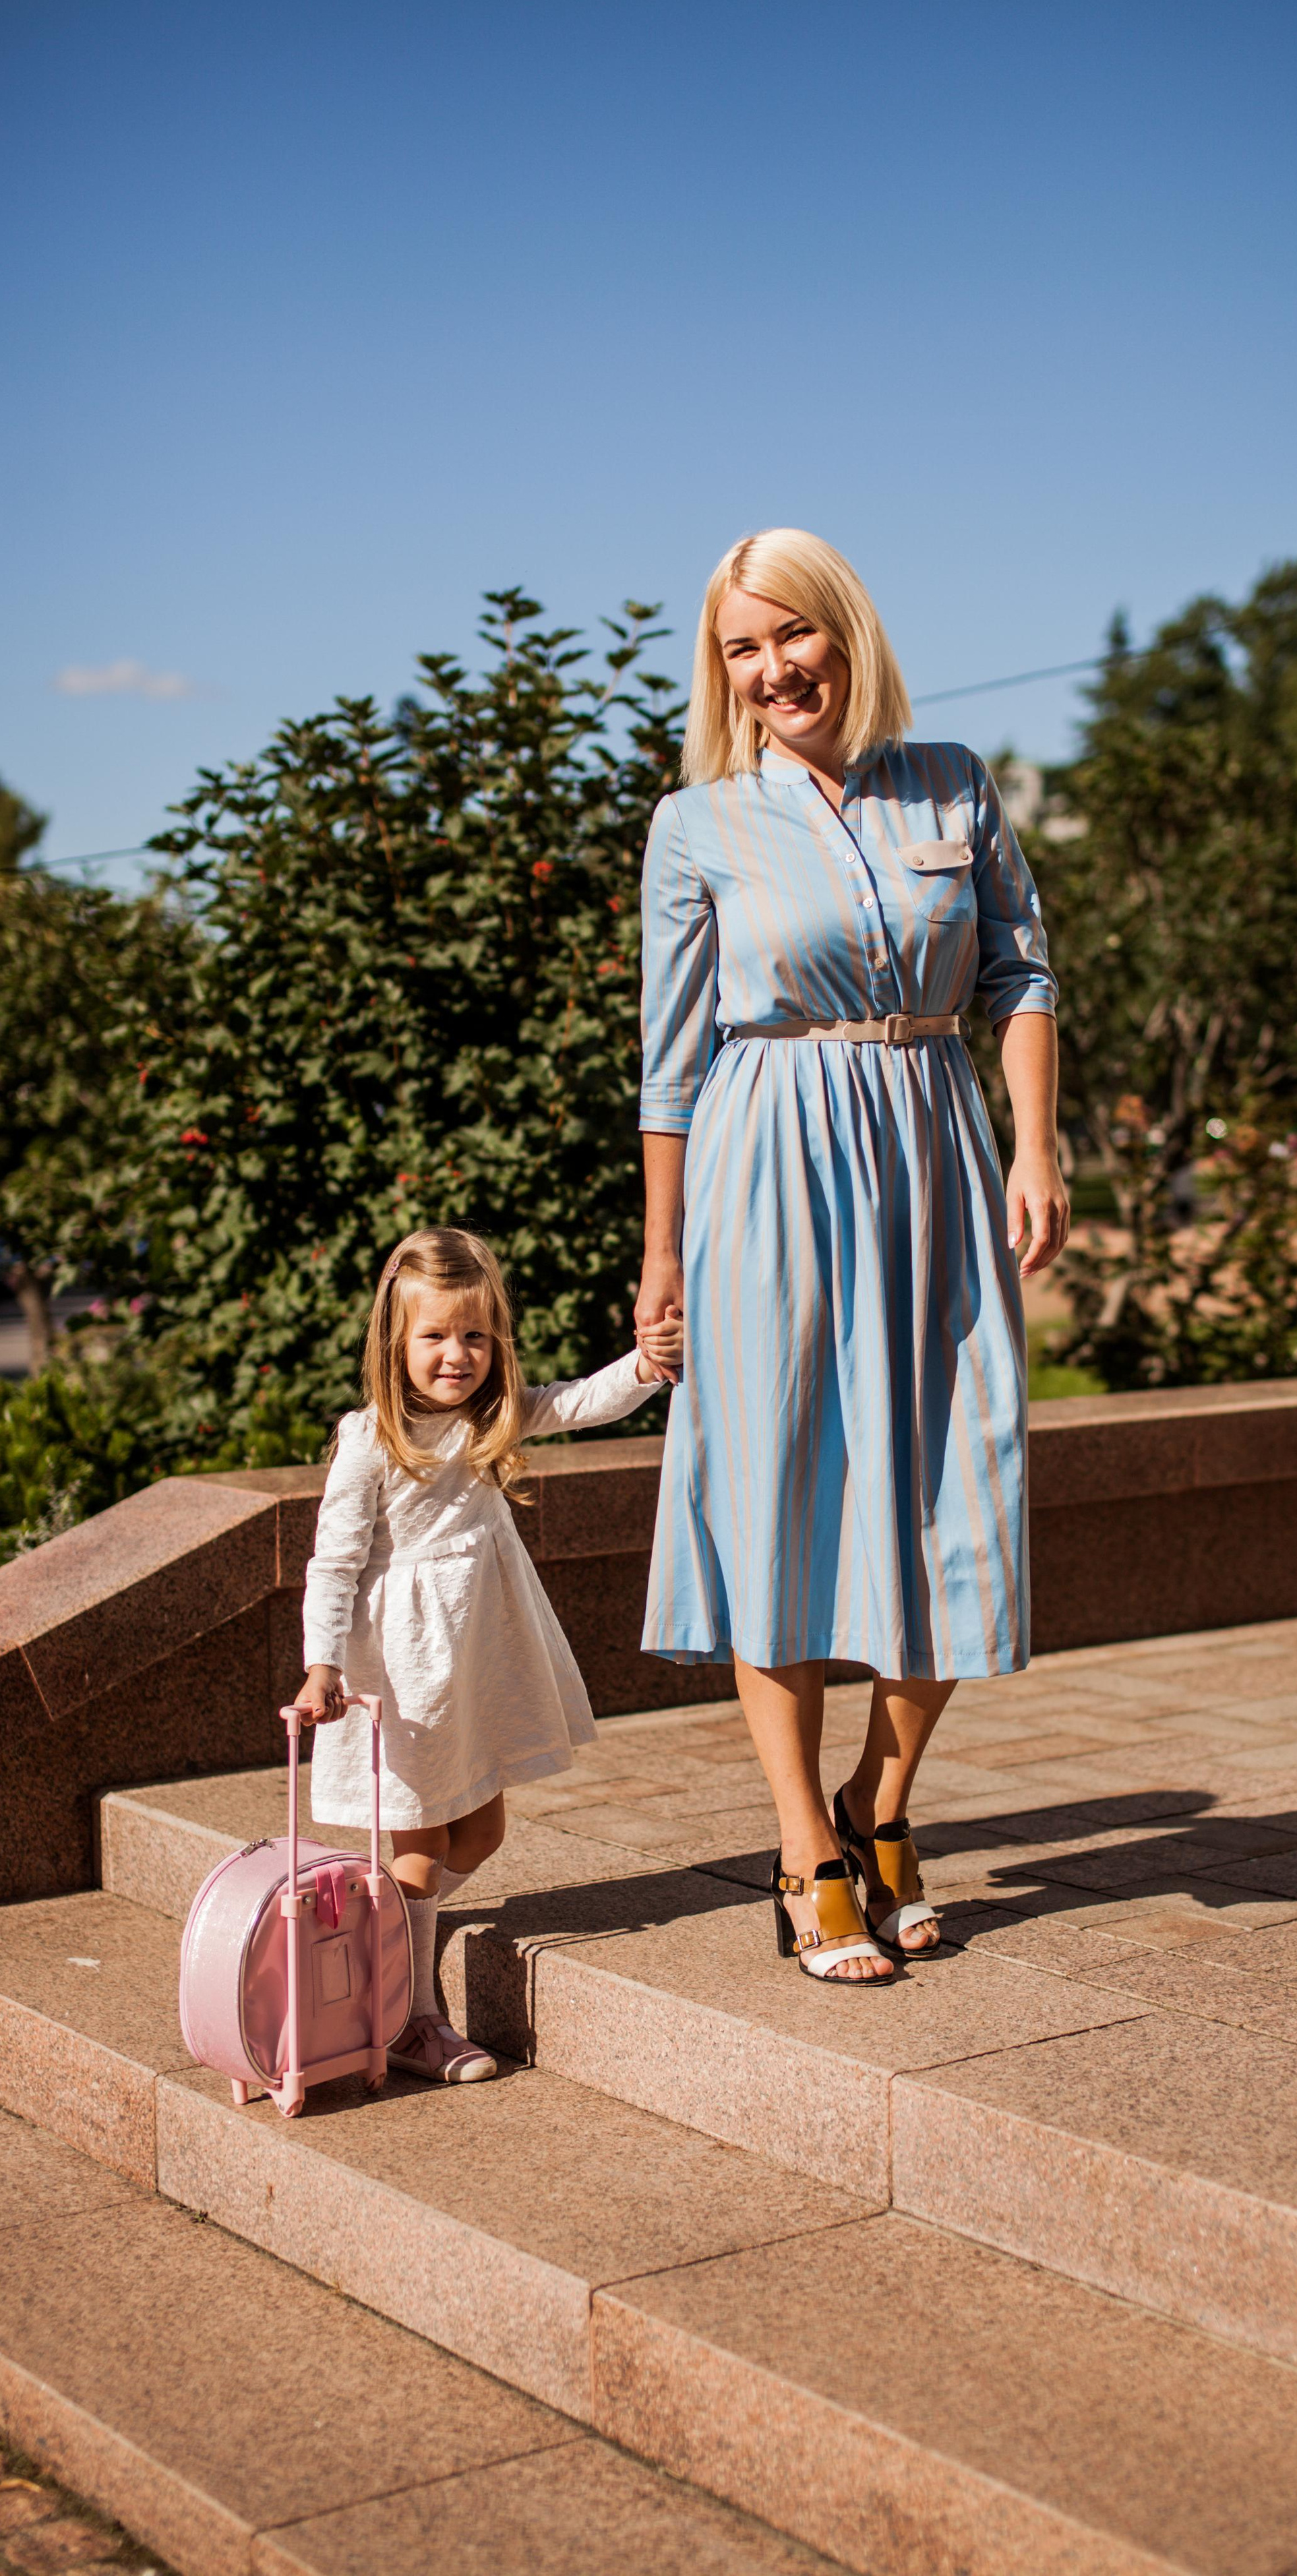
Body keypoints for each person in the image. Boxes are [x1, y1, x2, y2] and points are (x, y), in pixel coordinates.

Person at [634, 530, 1069, 1986]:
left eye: (791, 638)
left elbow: (1018, 971)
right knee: (778, 1503)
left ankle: (878, 1810)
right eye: (740, 652)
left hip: (935, 1152)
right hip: (766, 1170)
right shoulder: (695, 824)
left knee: (963, 1486)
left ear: (844, 633)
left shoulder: (949, 778)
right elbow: (670, 1065)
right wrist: (662, 1260)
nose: (771, 672)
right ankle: (804, 1855)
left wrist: (1036, 1145)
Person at [297, 1227, 681, 2080]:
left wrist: (647, 1363)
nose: (456, 1355)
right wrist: (323, 1664)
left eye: (474, 1336)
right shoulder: (371, 1439)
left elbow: (586, 1400)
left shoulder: (490, 1414)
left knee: (486, 1826)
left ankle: (381, 1933)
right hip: (406, 1670)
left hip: (478, 1658)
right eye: (433, 1336)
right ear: (394, 1343)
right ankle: (409, 2015)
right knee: (424, 1844)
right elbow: (334, 1560)